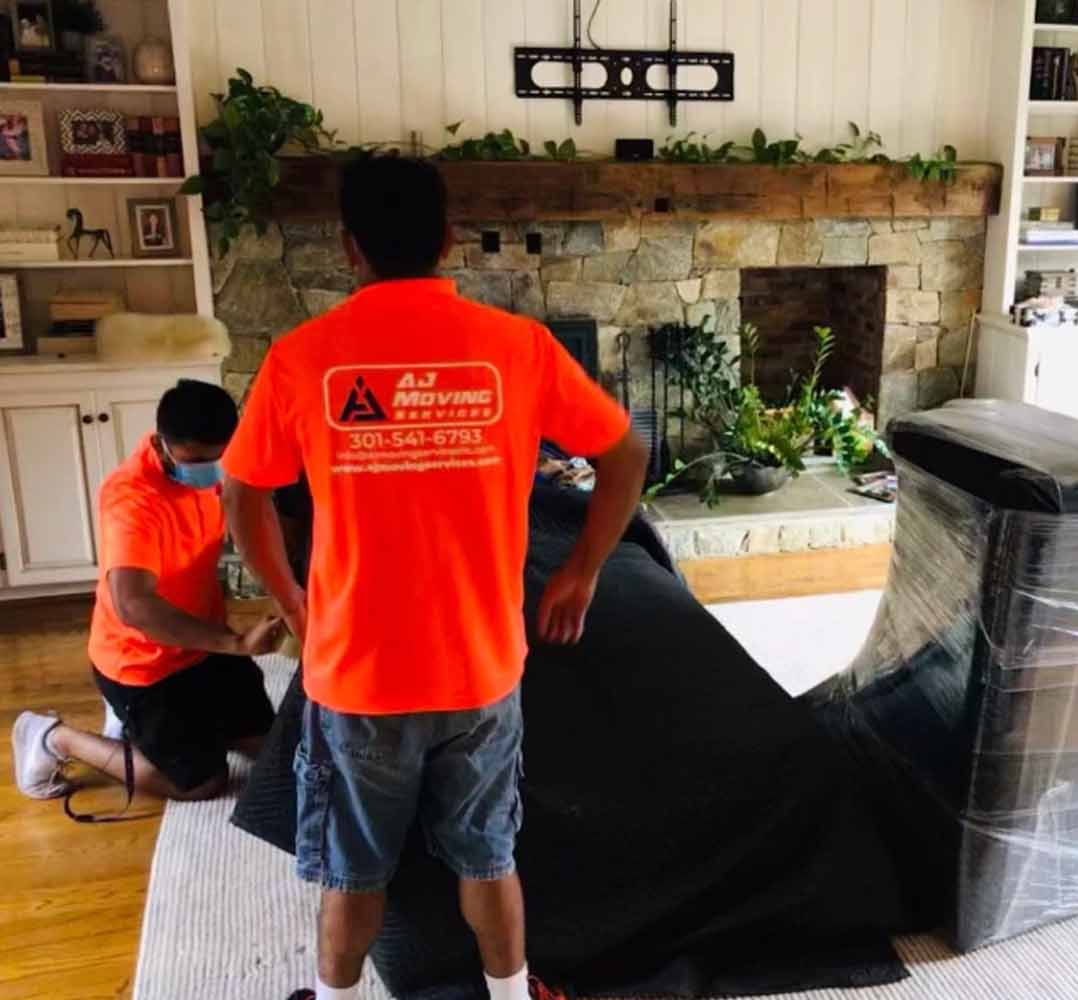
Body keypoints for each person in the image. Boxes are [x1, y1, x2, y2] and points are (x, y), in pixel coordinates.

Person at [221, 155, 647, 1000]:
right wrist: (581, 572)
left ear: (349, 247)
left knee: (352, 872)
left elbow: (241, 492)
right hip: (480, 671)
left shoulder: (303, 356)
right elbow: (626, 451)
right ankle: (512, 994)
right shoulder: (518, 347)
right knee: (488, 857)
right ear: (448, 239)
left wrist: (291, 601)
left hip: (358, 676)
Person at [11, 380, 282, 806]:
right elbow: (133, 605)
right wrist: (236, 643)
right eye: (196, 461)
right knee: (201, 784)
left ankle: (164, 728)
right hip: (143, 663)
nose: (210, 470)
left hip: (203, 642)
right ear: (161, 444)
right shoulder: (132, 499)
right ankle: (53, 737)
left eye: (218, 458)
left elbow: (257, 515)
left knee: (272, 751)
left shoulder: (223, 463)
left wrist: (286, 592)